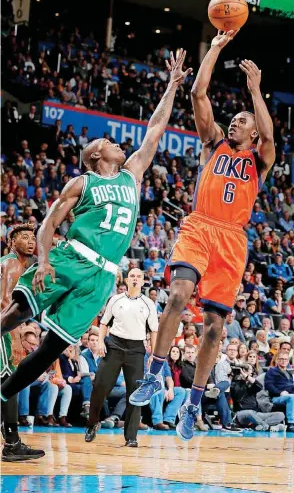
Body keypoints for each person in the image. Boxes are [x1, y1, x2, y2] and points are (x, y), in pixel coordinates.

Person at [0, 50, 192, 414]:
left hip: (103, 275)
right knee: (16, 314)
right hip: (71, 259)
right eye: (110, 144)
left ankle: (2, 395)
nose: (119, 145)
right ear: (96, 155)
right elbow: (49, 224)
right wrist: (42, 262)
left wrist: (171, 88)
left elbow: (154, 131)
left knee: (50, 350)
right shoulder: (82, 181)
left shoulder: (131, 175)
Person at [132, 32, 275, 441]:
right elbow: (198, 93)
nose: (236, 121)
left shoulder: (260, 160)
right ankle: (154, 374)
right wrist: (214, 47)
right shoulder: (213, 144)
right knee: (177, 295)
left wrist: (255, 91)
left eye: (242, 120)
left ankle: (192, 406)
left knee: (214, 327)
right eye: (235, 118)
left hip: (233, 239)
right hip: (200, 225)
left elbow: (269, 135)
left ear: (252, 134)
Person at [85, 268, 158, 447]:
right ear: (126, 280)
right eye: (132, 276)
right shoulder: (115, 300)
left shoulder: (149, 304)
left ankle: (131, 437)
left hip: (136, 349)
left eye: (138, 276)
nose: (135, 279)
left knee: (135, 393)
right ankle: (92, 423)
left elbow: (154, 330)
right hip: (114, 345)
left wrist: (153, 354)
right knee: (100, 386)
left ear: (143, 281)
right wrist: (101, 341)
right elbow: (103, 323)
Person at [0, 224, 44, 462]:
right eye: (24, 237)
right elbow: (6, 301)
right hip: (3, 332)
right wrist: (16, 338)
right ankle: (12, 443)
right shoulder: (12, 263)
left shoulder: (16, 264)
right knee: (9, 383)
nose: (30, 241)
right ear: (11, 242)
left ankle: (11, 440)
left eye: (32, 238)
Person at [231, 364, 285, 432]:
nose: (244, 372)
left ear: (251, 372)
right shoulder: (235, 384)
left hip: (256, 414)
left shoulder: (252, 384)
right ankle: (268, 427)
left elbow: (259, 386)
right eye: (243, 370)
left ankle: (257, 426)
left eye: (248, 370)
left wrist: (246, 377)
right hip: (241, 413)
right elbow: (235, 391)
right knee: (249, 412)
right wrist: (238, 378)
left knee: (281, 415)